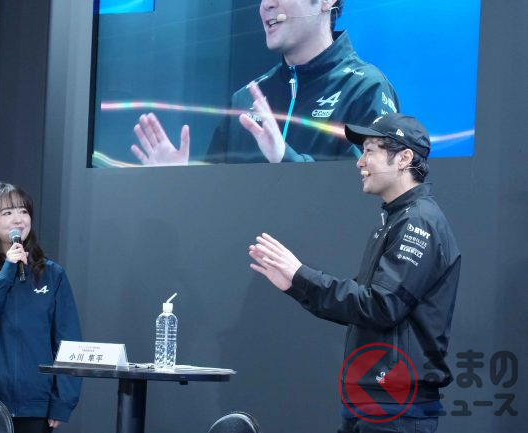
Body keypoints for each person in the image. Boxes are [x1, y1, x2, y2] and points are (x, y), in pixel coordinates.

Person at [248, 113, 461, 432]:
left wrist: (301, 275)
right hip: (373, 402)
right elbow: (364, 308)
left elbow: (381, 306)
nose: (360, 162)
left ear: (404, 158)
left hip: (395, 408)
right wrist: (296, 284)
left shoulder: (417, 221)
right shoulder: (397, 219)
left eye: (370, 151)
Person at [131, 0, 399, 165]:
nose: (267, 5)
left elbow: (366, 196)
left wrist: (285, 158)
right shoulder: (246, 99)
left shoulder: (365, 89)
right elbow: (216, 203)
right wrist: (179, 181)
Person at [0, 182, 82, 433]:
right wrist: (6, 273)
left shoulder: (51, 274)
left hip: (36, 401)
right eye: (7, 212)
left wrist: (62, 401)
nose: (18, 219)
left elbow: (68, 341)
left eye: (23, 211)